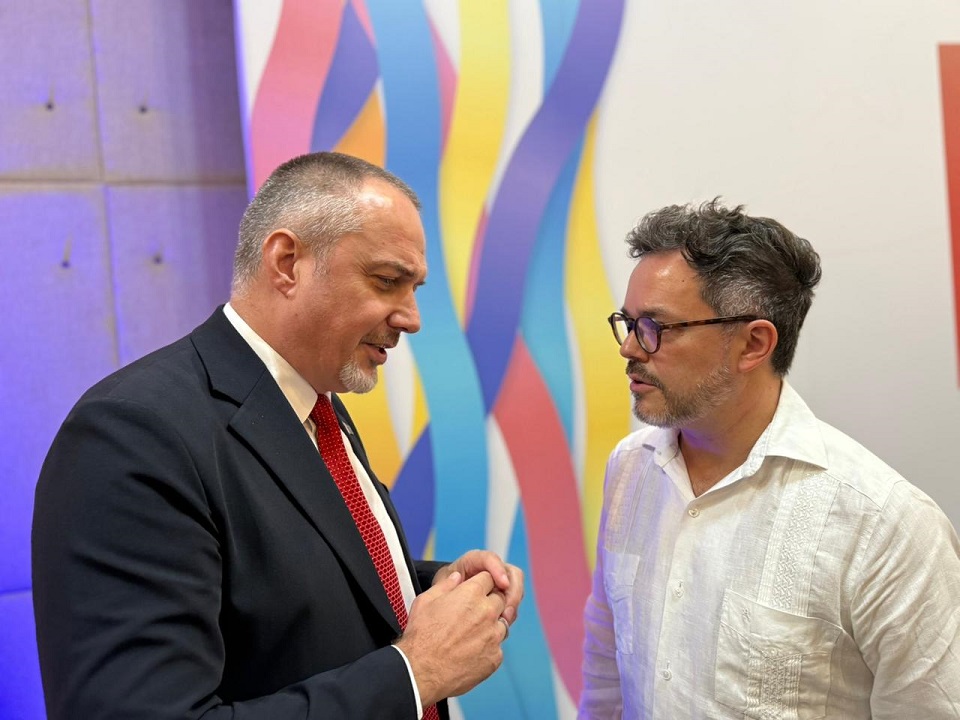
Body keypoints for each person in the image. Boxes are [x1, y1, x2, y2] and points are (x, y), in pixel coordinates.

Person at [32, 151, 523, 720]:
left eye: (413, 288)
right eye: (388, 281)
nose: (411, 317)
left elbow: (288, 585)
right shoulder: (132, 433)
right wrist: (415, 672)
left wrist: (431, 586)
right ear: (287, 262)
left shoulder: (317, 403)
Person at [578, 199, 960, 718]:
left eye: (655, 327)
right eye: (628, 322)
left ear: (753, 344)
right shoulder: (630, 468)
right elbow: (607, 672)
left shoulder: (883, 525)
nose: (629, 349)